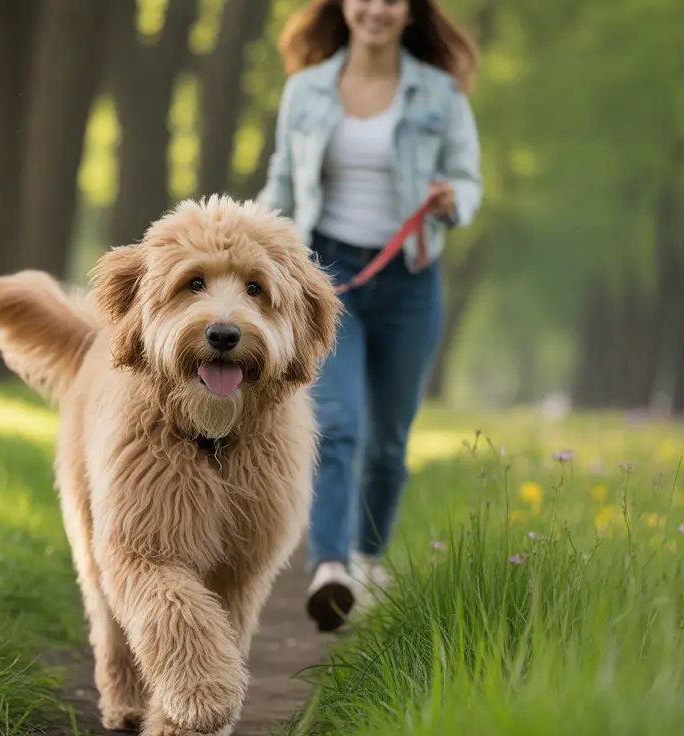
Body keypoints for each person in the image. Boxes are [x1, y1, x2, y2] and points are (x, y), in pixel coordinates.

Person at [255, 0, 483, 632]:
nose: (376, 9)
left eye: (391, 0)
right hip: (330, 277)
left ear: (411, 12)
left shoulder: (439, 95)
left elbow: (468, 179)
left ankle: (368, 558)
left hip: (409, 278)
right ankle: (329, 566)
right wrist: (250, 237)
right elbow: (282, 182)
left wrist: (451, 200)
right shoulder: (307, 91)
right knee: (339, 421)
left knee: (388, 441)